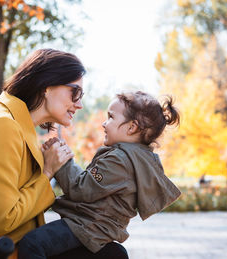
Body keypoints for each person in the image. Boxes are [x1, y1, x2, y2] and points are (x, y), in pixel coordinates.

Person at [0, 48, 127, 259]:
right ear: (47, 86)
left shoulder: (18, 127)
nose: (79, 104)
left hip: (6, 245)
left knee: (111, 253)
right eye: (75, 92)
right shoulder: (0, 125)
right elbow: (4, 219)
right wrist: (47, 172)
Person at [17, 91, 182, 258]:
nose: (104, 123)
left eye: (111, 117)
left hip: (87, 227)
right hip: (96, 229)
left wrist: (62, 161)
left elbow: (81, 189)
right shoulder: (136, 159)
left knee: (31, 244)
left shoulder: (120, 160)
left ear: (132, 127)